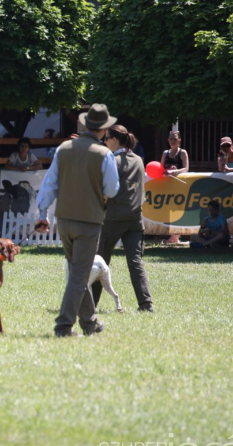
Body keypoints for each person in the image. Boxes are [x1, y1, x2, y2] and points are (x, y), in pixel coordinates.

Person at [35, 103, 120, 337]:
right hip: (89, 221)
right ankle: (63, 326)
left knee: (77, 272)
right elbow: (112, 189)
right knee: (78, 275)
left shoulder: (63, 149)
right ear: (104, 130)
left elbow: (48, 185)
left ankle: (90, 323)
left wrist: (42, 215)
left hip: (64, 220)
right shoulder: (104, 154)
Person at [92, 124, 153, 313]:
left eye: (106, 138)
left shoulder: (112, 160)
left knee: (100, 262)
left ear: (114, 140)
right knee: (135, 263)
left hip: (113, 218)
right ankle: (146, 304)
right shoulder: (139, 160)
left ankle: (90, 304)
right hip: (135, 219)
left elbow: (105, 191)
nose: (104, 142)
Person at [160, 131, 190, 243]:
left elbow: (186, 168)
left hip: (179, 186)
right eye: (171, 139)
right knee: (167, 209)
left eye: (175, 139)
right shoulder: (165, 153)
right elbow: (160, 168)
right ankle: (173, 237)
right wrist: (166, 171)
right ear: (168, 140)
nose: (173, 141)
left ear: (179, 141)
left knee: (178, 210)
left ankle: (175, 237)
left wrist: (175, 171)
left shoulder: (183, 152)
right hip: (167, 187)